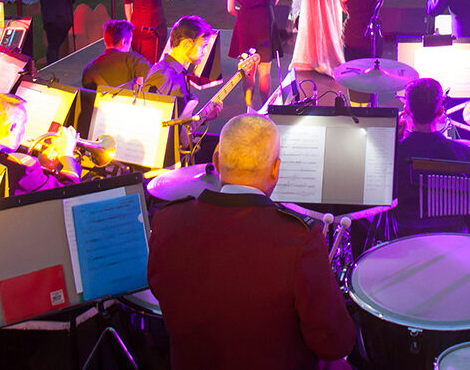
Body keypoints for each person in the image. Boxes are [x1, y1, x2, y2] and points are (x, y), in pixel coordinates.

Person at [147, 114, 355, 370]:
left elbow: (161, 291)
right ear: (276, 169)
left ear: (215, 162)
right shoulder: (300, 239)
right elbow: (334, 342)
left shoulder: (167, 221)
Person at [393, 78, 470, 237]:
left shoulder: (395, 154)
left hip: (405, 238)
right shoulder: (465, 154)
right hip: (453, 239)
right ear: (440, 112)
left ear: (406, 111)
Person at [0, 94, 80, 195]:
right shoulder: (23, 167)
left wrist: (42, 167)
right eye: (24, 124)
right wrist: (67, 154)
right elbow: (68, 192)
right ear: (12, 128)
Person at [225, 0, 284, 110]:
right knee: (265, 72)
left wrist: (244, 14)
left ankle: (249, 108)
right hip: (265, 27)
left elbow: (230, 8)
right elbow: (275, 1)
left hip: (245, 27)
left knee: (248, 71)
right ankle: (265, 108)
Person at [143, 16, 222, 120]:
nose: (205, 51)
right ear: (186, 44)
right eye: (203, 46)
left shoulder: (179, 73)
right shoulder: (164, 75)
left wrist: (205, 117)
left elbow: (178, 125)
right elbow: (151, 121)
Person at [81, 20, 151, 92]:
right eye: (130, 42)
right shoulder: (133, 59)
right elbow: (153, 79)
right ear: (123, 42)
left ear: (105, 40)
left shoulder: (89, 69)